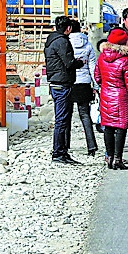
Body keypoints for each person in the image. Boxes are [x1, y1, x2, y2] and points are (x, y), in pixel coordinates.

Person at [43, 16, 85, 165]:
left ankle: (62, 151)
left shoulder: (51, 40)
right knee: (62, 120)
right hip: (62, 84)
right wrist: (80, 62)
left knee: (63, 119)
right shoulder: (62, 41)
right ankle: (58, 153)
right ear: (68, 29)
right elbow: (69, 63)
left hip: (56, 83)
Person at [96, 29, 128, 170]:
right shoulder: (125, 60)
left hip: (106, 95)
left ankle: (109, 157)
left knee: (108, 127)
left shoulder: (102, 57)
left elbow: (97, 77)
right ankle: (118, 158)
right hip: (122, 97)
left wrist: (106, 86)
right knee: (121, 127)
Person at [68, 19, 98, 159]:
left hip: (69, 82)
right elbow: (93, 68)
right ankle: (91, 145)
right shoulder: (88, 45)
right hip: (84, 83)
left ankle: (65, 145)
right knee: (85, 115)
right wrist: (96, 85)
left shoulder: (66, 44)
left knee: (65, 116)